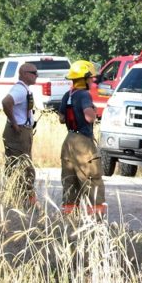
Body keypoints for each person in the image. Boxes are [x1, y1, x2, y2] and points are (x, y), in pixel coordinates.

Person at [57, 60, 107, 217]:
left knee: (70, 181)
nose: (92, 81)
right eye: (90, 78)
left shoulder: (68, 95)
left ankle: (69, 217)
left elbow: (61, 119)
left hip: (69, 141)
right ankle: (97, 219)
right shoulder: (84, 95)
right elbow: (89, 117)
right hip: (83, 143)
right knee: (92, 180)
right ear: (83, 78)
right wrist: (94, 110)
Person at [2, 62, 38, 207]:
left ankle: (25, 200)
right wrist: (15, 123)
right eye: (33, 73)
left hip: (24, 131)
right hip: (18, 132)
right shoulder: (20, 90)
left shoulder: (24, 89)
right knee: (20, 167)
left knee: (25, 167)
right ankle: (19, 200)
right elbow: (6, 102)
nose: (36, 76)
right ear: (23, 73)